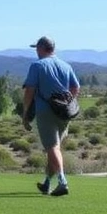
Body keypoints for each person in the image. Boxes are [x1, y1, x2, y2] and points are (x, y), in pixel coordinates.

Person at [22, 36, 80, 197]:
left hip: (45, 111)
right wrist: (68, 102)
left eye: (37, 48)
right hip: (64, 113)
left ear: (41, 48)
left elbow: (29, 91)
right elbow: (75, 88)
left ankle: (63, 182)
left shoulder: (37, 66)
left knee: (52, 148)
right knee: (55, 149)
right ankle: (47, 183)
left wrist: (25, 112)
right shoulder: (66, 65)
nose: (36, 51)